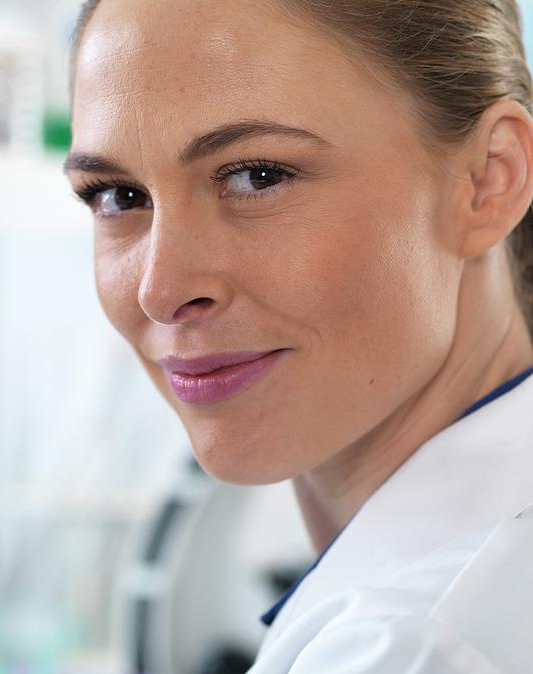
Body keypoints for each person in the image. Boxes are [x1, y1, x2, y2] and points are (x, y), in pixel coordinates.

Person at [64, 0, 533, 671]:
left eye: (258, 175)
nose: (160, 290)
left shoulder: (407, 646)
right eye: (118, 196)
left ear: (489, 179)